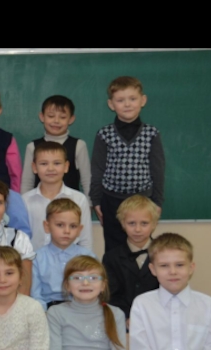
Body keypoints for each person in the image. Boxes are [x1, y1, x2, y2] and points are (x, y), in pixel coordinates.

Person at [90, 76, 165, 254]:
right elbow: (98, 169)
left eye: (132, 98)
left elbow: (158, 169)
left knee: (141, 247)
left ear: (143, 100)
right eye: (120, 100)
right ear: (111, 104)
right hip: (111, 201)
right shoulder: (104, 134)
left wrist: (157, 201)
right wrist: (96, 200)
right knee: (114, 250)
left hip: (142, 201)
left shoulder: (151, 133)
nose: (127, 104)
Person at [22, 140, 92, 251]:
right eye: (44, 164)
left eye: (57, 163)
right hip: (35, 260)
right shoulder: (25, 200)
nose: (51, 168)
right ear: (34, 167)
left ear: (66, 166)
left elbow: (85, 240)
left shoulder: (79, 199)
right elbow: (21, 239)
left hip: (70, 261)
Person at [102, 194, 161, 321]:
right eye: (131, 223)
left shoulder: (164, 254)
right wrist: (126, 317)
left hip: (157, 318)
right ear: (123, 224)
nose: (137, 229)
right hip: (123, 320)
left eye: (144, 223)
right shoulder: (111, 258)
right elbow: (111, 295)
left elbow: (167, 290)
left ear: (154, 224)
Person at [31, 199, 97, 310]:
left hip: (80, 307)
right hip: (49, 309)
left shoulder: (89, 257)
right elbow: (35, 296)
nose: (67, 231)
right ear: (47, 226)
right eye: (60, 225)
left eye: (73, 226)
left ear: (79, 229)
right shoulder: (36, 258)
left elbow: (94, 289)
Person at [20, 95, 91, 195]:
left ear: (71, 119)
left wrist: (88, 202)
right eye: (51, 116)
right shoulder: (32, 147)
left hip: (70, 203)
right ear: (42, 117)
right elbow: (27, 182)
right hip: (39, 201)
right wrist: (24, 202)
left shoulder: (79, 145)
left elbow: (86, 180)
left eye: (62, 117)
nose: (56, 121)